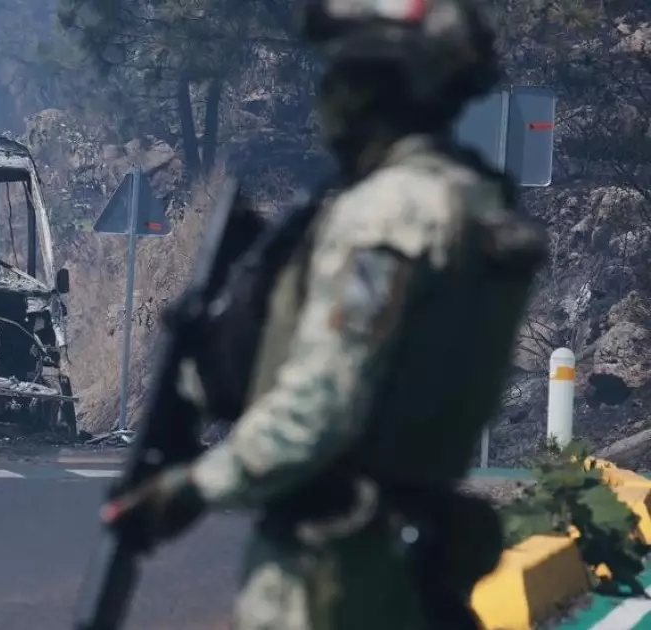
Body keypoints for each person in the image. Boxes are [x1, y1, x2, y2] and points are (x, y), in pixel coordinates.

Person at [99, 0, 549, 628]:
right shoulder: (479, 206)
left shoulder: (389, 215)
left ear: (376, 86)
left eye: (345, 73)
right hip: (419, 563)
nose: (330, 94)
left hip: (335, 575)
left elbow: (322, 407)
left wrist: (190, 487)